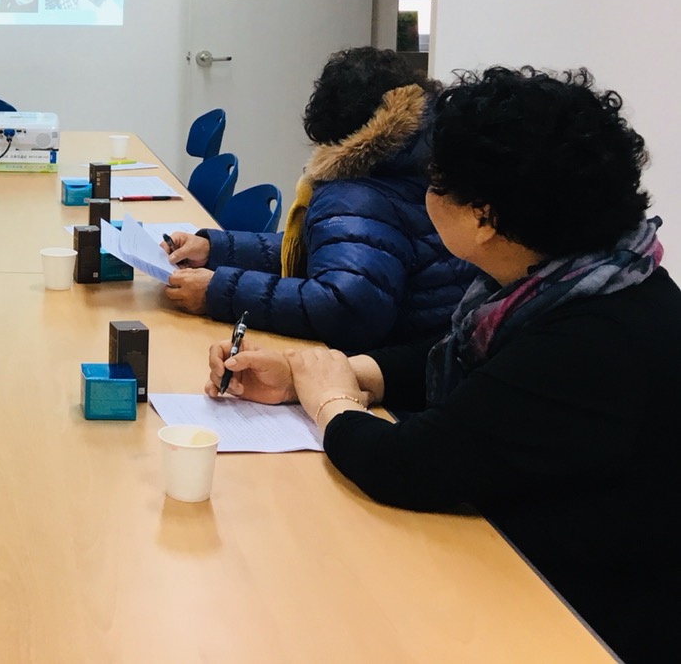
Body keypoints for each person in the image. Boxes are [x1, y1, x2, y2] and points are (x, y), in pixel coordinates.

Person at [205, 66, 679, 664]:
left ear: (483, 217)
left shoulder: (589, 340)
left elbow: (407, 465)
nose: (422, 195)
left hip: (582, 621)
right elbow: (467, 371)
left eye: (433, 182)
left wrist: (332, 402)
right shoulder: (581, 279)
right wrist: (326, 372)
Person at [163, 47, 475, 350]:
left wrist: (218, 291)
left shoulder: (357, 192)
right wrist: (215, 249)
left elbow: (343, 306)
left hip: (387, 371)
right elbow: (331, 249)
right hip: (434, 353)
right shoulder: (424, 156)